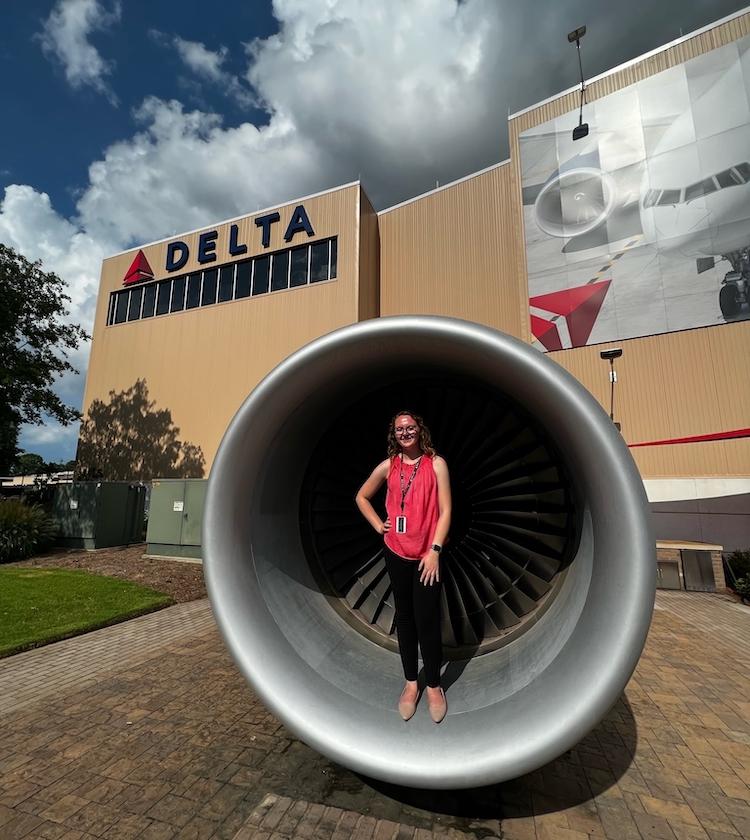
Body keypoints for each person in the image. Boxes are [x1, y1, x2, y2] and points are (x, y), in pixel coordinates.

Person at [355, 410, 452, 723]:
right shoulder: (389, 466)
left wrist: (435, 550)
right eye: (400, 429)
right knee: (406, 619)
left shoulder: (436, 464)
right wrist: (377, 526)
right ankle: (412, 683)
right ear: (394, 434)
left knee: (428, 620)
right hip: (396, 552)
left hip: (427, 557)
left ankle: (434, 685)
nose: (406, 432)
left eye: (410, 427)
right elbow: (362, 497)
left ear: (418, 429)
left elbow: (447, 510)